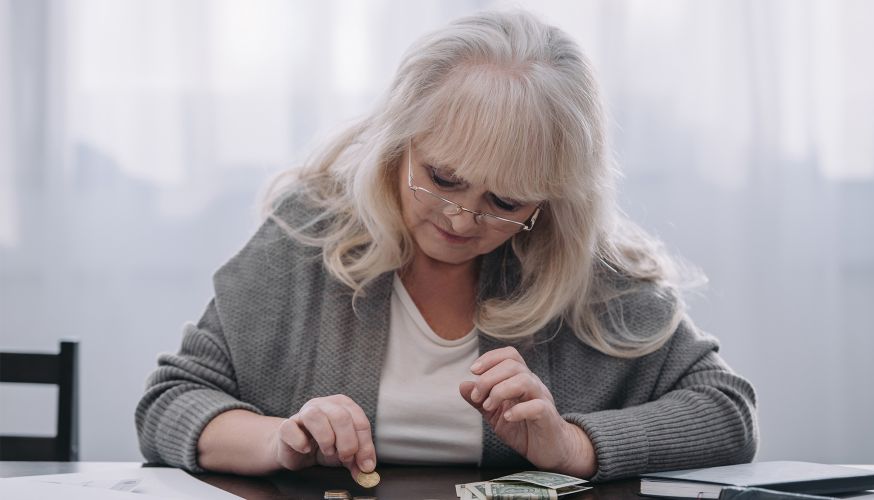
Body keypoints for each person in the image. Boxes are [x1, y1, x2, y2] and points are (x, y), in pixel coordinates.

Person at [135, 10, 758, 482]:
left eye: (506, 203)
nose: (462, 220)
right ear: (399, 142)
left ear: (552, 200)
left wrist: (571, 445)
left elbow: (727, 413)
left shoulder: (591, 274)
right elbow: (170, 402)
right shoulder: (310, 233)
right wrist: (280, 442)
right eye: (443, 179)